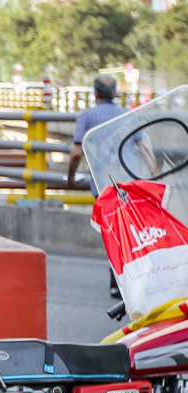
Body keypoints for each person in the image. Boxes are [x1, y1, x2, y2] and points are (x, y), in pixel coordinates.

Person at [68, 75, 138, 298]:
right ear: (115, 94)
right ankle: (136, 277)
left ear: (95, 94)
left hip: (104, 184)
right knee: (133, 230)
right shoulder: (128, 115)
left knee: (113, 232)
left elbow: (76, 153)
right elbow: (144, 149)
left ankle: (117, 281)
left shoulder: (87, 117)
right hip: (131, 182)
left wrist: (70, 178)